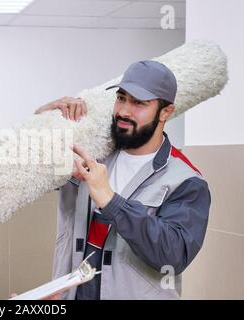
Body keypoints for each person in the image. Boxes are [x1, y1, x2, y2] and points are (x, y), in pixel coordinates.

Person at [36, 60, 211, 299]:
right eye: (121, 98)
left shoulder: (185, 180)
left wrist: (109, 200)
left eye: (139, 103)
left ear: (166, 112)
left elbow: (173, 254)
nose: (124, 111)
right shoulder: (92, 152)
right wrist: (43, 120)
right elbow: (25, 171)